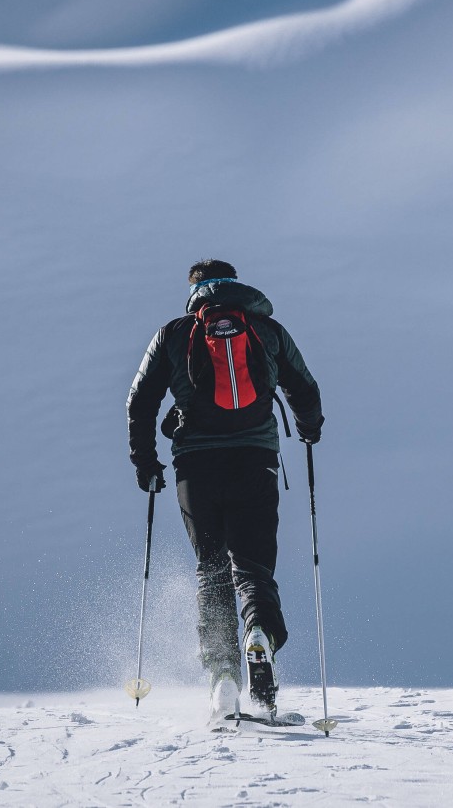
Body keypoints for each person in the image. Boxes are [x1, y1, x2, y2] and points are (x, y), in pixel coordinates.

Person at [126, 259, 323, 722]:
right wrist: (309, 430)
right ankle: (260, 634)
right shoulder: (266, 329)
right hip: (255, 462)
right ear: (237, 285)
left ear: (194, 290)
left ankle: (222, 677)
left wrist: (145, 462)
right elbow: (304, 387)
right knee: (253, 570)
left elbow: (139, 400)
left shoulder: (174, 333)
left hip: (195, 468)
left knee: (211, 568)